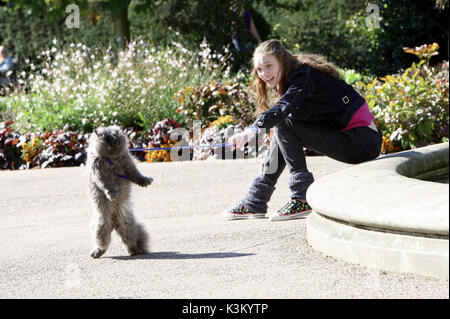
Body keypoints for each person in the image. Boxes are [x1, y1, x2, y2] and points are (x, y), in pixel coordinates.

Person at [225, 39, 382, 221]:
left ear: (282, 61)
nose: (264, 74)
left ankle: (301, 197)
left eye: (269, 66)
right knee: (284, 125)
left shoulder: (304, 76)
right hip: (352, 139)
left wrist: (253, 129)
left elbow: (285, 106)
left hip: (362, 141)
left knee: (283, 122)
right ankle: (256, 201)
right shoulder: (293, 77)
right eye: (259, 69)